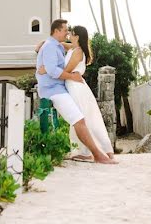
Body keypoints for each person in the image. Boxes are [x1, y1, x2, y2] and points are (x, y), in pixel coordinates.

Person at [36, 19, 116, 165]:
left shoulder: (73, 50)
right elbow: (55, 58)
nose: (67, 34)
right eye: (65, 30)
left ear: (77, 37)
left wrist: (48, 69)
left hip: (74, 86)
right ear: (57, 31)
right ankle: (88, 152)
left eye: (70, 32)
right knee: (81, 118)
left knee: (84, 118)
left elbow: (60, 69)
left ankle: (98, 152)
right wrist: (42, 49)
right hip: (61, 87)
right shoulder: (60, 47)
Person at [62, 25, 114, 160]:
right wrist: (49, 43)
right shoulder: (73, 49)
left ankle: (86, 152)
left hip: (76, 87)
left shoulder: (78, 51)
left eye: (72, 34)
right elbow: (64, 45)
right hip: (74, 85)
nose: (69, 36)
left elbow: (67, 69)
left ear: (77, 36)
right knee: (84, 117)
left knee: (81, 117)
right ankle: (96, 150)